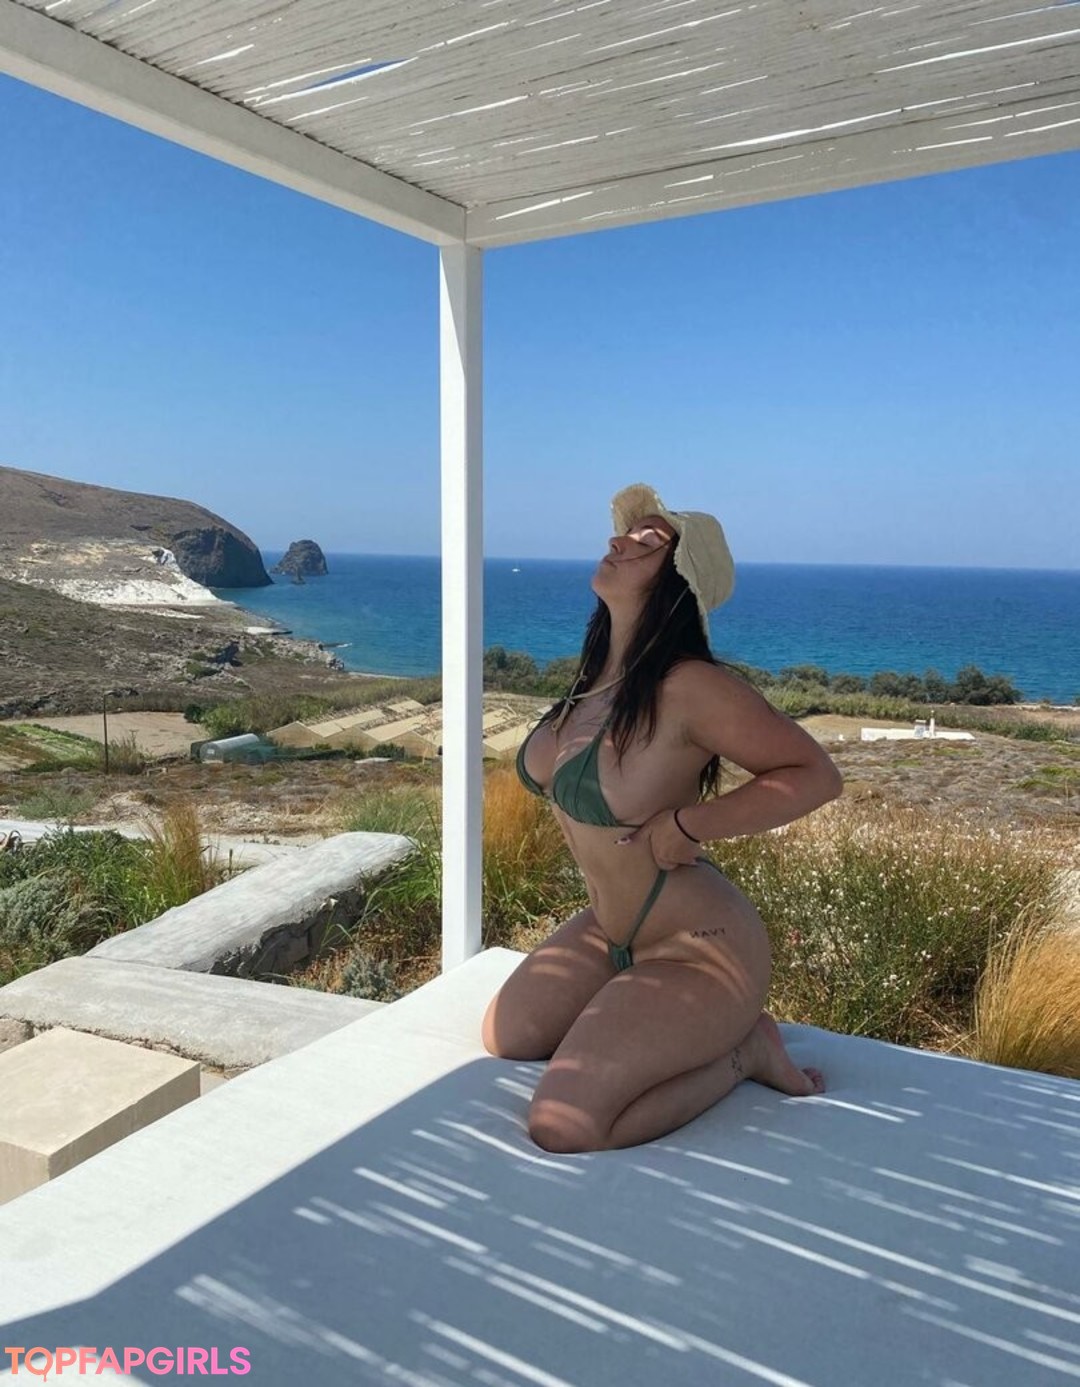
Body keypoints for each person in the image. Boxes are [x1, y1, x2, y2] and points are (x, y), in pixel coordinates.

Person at [482, 483, 843, 1153]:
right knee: (506, 1035)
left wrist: (689, 825)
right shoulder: (595, 679)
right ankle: (634, 1004)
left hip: (698, 946)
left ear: (678, 581)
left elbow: (815, 775)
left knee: (564, 1124)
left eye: (648, 542)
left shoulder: (690, 687)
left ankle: (745, 1053)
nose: (619, 542)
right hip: (610, 929)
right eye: (625, 533)